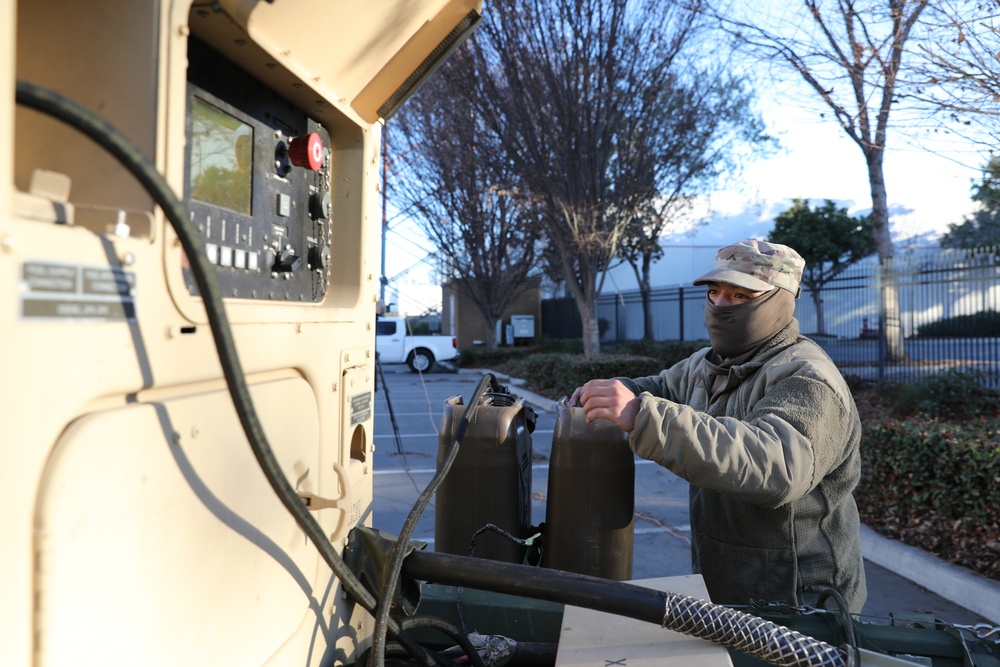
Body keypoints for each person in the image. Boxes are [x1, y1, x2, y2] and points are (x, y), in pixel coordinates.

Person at [571, 239, 867, 613]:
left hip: (803, 605)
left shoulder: (807, 377)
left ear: (778, 300)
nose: (721, 306)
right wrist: (617, 392)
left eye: (740, 296)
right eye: (714, 292)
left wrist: (643, 416)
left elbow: (775, 466)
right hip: (729, 594)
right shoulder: (708, 364)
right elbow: (662, 387)